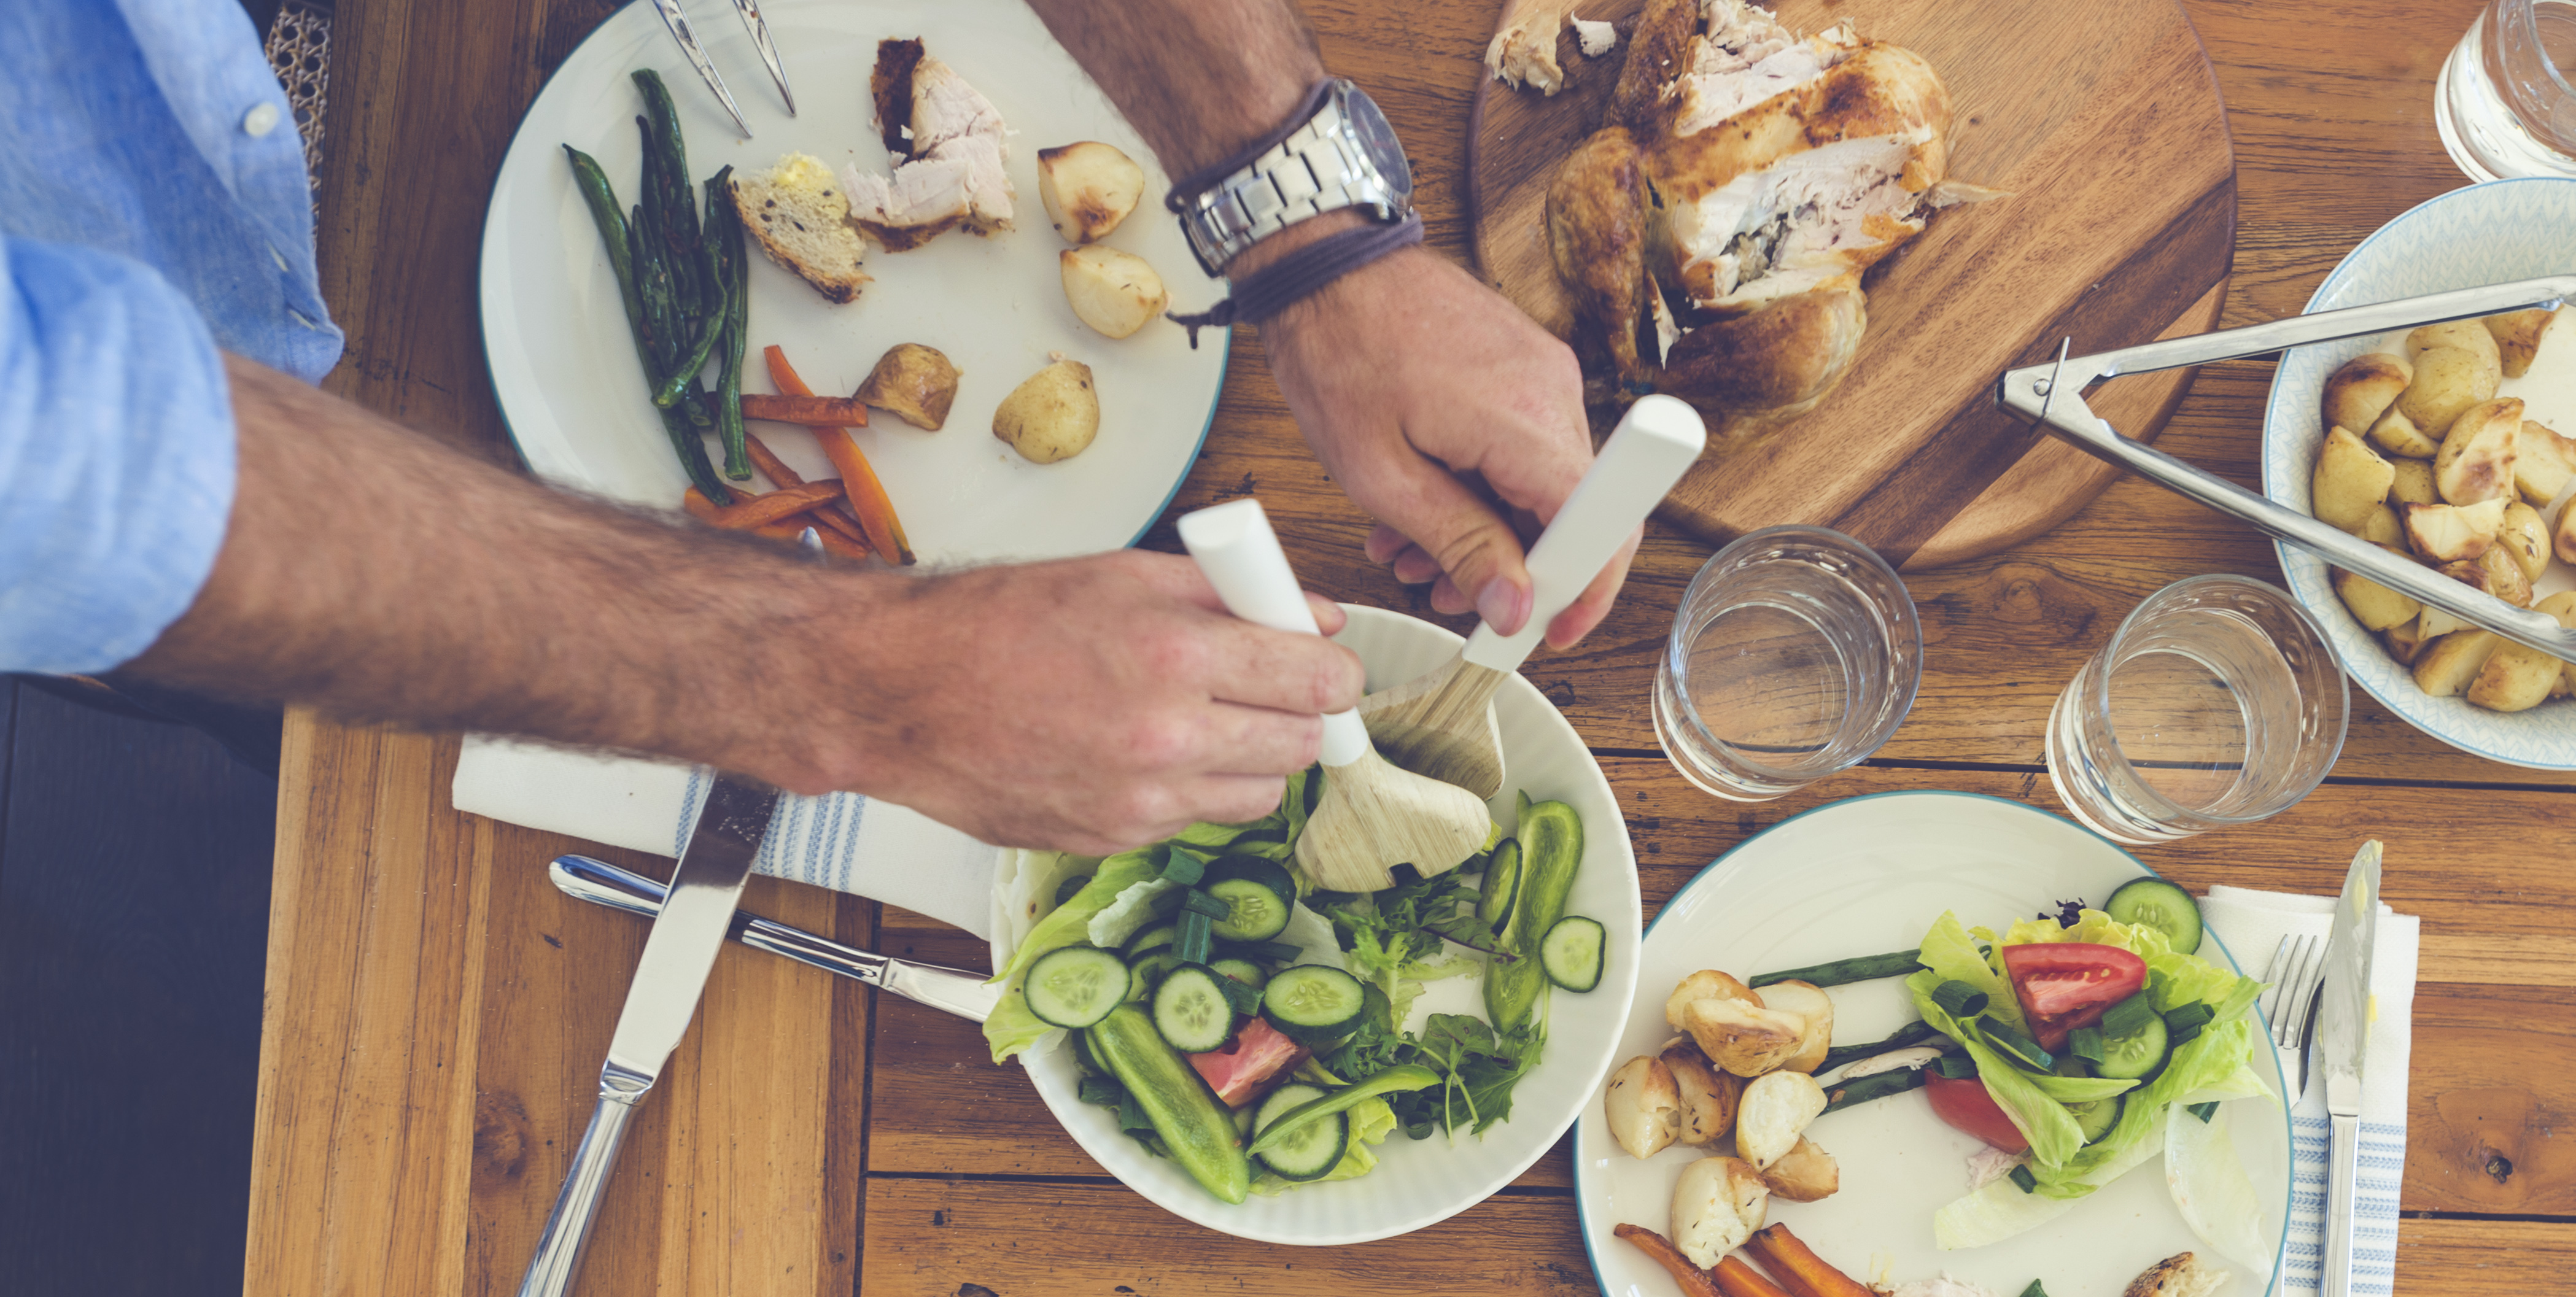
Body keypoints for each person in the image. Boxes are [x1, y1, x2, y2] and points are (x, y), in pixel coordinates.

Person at [1, 0, 1627, 857]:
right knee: (318, 801)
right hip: (157, 382)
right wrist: (868, 686)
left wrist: (1312, 230)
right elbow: (82, 478)